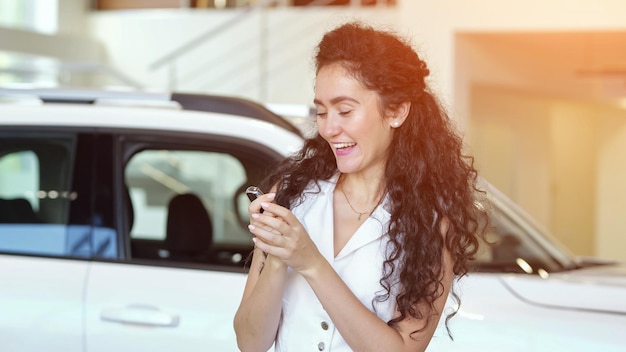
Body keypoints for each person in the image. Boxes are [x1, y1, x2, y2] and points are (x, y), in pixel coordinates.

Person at [233, 21, 487, 352]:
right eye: (321, 111)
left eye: (345, 110)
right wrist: (279, 256)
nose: (329, 128)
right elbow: (250, 343)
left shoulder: (430, 223)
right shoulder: (292, 195)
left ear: (395, 111)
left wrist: (310, 262)